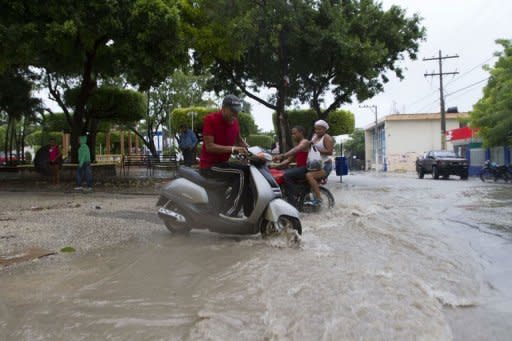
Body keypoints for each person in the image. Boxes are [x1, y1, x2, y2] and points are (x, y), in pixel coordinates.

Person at [199, 94, 250, 218]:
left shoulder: (235, 122)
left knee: (249, 172)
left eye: (237, 112)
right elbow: (210, 146)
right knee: (242, 173)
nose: (235, 115)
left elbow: (239, 141)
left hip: (223, 164)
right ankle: (231, 212)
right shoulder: (210, 119)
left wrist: (251, 150)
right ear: (224, 108)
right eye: (233, 111)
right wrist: (233, 149)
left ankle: (243, 209)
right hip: (209, 166)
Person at [273, 126, 310, 208]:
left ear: (301, 133)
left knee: (285, 175)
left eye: (294, 133)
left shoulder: (305, 142)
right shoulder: (297, 145)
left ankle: (293, 199)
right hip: (299, 168)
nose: (293, 135)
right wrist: (274, 166)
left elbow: (297, 149)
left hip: (304, 168)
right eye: (292, 134)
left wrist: (282, 155)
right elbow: (288, 161)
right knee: (279, 173)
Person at [304, 119, 334, 206]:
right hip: (316, 165)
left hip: (325, 165)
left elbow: (330, 152)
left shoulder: (327, 138)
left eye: (320, 129)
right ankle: (312, 202)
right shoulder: (315, 136)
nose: (317, 131)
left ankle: (319, 198)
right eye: (316, 129)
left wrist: (317, 150)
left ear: (325, 129)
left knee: (309, 176)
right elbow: (310, 145)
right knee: (312, 184)